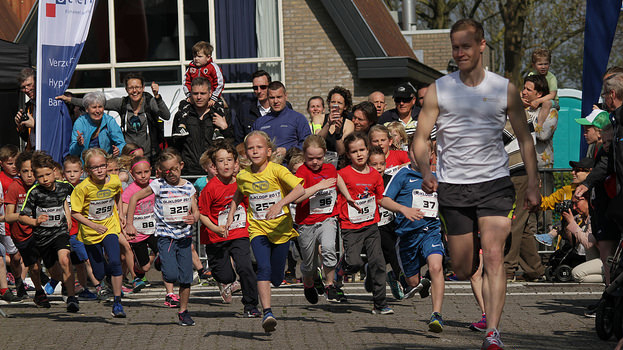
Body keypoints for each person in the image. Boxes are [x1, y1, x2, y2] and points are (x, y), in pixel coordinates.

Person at [412, 19, 540, 350]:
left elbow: (525, 139)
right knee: (464, 264)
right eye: (455, 47)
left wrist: (533, 184)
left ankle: (493, 332)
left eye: (466, 46)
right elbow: (420, 138)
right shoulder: (441, 89)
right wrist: (426, 170)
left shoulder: (503, 88)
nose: (460, 53)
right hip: (453, 187)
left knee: (495, 255)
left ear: (481, 45)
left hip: (495, 183)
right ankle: (469, 268)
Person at [225, 131, 304, 332]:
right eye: (250, 148)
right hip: (257, 228)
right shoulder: (243, 175)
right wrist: (231, 215)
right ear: (245, 153)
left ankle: (275, 281)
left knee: (276, 277)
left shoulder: (277, 170)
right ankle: (267, 312)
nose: (255, 151)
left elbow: (299, 190)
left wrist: (280, 205)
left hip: (281, 230)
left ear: (268, 151)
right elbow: (238, 193)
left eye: (259, 147)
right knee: (263, 268)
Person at [126, 148, 199, 326]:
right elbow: (134, 197)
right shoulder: (158, 184)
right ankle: (161, 262)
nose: (171, 173)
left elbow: (196, 211)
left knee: (186, 278)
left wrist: (194, 217)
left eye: (174, 169)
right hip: (165, 237)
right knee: (171, 275)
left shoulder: (189, 187)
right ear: (161, 171)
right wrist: (129, 223)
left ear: (181, 166)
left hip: (184, 238)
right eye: (166, 170)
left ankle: (183, 312)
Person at [380, 139, 445, 332]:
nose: (420, 157)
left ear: (432, 156)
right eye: (416, 153)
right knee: (413, 283)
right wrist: (403, 209)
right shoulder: (402, 174)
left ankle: (437, 314)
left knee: (436, 267)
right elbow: (383, 199)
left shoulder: (436, 177)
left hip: (431, 231)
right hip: (407, 235)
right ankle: (398, 276)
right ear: (409, 154)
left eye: (425, 153)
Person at [198, 140, 260, 316]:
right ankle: (226, 281)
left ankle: (251, 305)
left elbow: (249, 206)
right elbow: (202, 214)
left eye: (229, 160)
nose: (226, 164)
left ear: (236, 163)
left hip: (239, 232)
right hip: (216, 237)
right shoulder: (210, 188)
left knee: (245, 267)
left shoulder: (242, 182)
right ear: (214, 165)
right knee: (225, 276)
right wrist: (216, 228)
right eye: (221, 161)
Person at [336, 132, 391, 315]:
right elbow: (334, 179)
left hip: (371, 226)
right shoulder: (343, 174)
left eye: (362, 150)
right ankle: (341, 268)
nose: (359, 154)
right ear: (348, 155)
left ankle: (380, 303)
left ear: (368, 150)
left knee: (378, 263)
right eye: (354, 151)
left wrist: (400, 208)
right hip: (351, 227)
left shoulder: (375, 175)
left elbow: (381, 198)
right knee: (354, 263)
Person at [57, 74, 169, 163]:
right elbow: (92, 103)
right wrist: (69, 100)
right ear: (126, 89)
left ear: (143, 88)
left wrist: (157, 97)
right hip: (127, 157)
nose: (134, 91)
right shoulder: (122, 103)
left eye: (138, 87)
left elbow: (166, 116)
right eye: (131, 88)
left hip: (148, 155)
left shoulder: (151, 102)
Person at [18, 151, 79, 313]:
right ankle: (42, 291)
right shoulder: (35, 192)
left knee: (65, 260)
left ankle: (72, 298)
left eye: (47, 174)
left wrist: (71, 215)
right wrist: (35, 221)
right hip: (42, 237)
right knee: (49, 271)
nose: (45, 179)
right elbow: (22, 216)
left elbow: (79, 199)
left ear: (54, 171)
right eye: (40, 176)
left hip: (60, 232)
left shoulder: (64, 187)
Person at [71, 148, 126, 317]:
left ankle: (117, 303)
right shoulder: (83, 188)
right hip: (90, 233)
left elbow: (118, 195)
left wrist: (121, 213)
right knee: (99, 273)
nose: (100, 170)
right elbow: (75, 213)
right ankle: (108, 277)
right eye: (95, 168)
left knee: (116, 261)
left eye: (103, 166)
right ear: (88, 170)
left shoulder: (114, 181)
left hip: (110, 227)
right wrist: (93, 226)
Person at [120, 156, 179, 307]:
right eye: (139, 173)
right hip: (137, 234)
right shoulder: (130, 191)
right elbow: (124, 211)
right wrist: (127, 225)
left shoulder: (155, 185)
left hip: (154, 230)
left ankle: (170, 293)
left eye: (146, 172)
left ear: (151, 172)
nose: (143, 175)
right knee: (145, 267)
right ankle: (139, 272)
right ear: (133, 175)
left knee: (165, 253)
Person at [292, 135, 341, 303]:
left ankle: (329, 284)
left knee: (328, 248)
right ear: (304, 155)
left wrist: (348, 198)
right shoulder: (301, 172)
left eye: (319, 158)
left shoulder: (330, 169)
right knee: (309, 264)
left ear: (325, 154)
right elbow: (297, 198)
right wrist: (318, 187)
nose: (315, 162)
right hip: (306, 223)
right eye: (310, 158)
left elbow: (337, 181)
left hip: (327, 218)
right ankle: (308, 283)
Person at [4, 151, 54, 306]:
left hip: (40, 232)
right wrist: (24, 218)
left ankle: (45, 288)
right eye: (25, 171)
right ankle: (30, 286)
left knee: (44, 262)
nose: (30, 175)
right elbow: (8, 216)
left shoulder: (41, 186)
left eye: (33, 171)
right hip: (21, 234)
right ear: (19, 172)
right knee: (24, 262)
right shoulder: (14, 187)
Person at [368, 146, 411, 301]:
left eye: (382, 164)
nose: (379, 167)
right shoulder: (366, 180)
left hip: (392, 222)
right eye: (374, 164)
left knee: (395, 250)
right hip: (373, 225)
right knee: (390, 250)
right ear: (367, 165)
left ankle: (392, 276)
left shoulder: (391, 180)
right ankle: (402, 280)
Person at [172, 77, 234, 175]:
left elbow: (231, 144)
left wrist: (225, 128)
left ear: (210, 94)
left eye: (203, 93)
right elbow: (175, 145)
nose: (199, 97)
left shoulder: (222, 114)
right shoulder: (182, 115)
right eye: (195, 94)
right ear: (190, 94)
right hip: (189, 172)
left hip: (215, 171)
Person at [62, 156, 98, 299]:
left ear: (82, 172)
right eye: (68, 171)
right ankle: (97, 286)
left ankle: (84, 288)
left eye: (75, 171)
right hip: (65, 232)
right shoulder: (60, 187)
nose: (72, 174)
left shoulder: (84, 187)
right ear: (63, 172)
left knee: (82, 262)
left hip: (81, 231)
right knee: (67, 261)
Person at [534, 158, 592, 246]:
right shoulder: (567, 190)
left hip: (589, 240)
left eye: (577, 170)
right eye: (573, 170)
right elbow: (545, 203)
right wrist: (535, 189)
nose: (572, 173)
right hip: (568, 241)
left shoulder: (598, 191)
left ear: (590, 172)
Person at [252, 81, 311, 157]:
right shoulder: (259, 122)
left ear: (285, 96)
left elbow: (308, 144)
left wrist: (288, 151)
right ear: (267, 98)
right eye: (272, 98)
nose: (276, 101)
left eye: (279, 97)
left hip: (290, 166)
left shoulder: (298, 118)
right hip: (267, 166)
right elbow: (252, 146)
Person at [233, 70, 292, 145]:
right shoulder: (244, 110)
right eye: (255, 88)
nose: (259, 91)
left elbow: (292, 136)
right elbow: (238, 141)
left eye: (263, 87)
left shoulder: (285, 106)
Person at [0, 144, 27, 298]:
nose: (13, 167)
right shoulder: (1, 180)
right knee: (15, 255)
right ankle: (18, 282)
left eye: (15, 163)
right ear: (2, 164)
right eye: (9, 163)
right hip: (5, 223)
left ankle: (20, 283)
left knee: (22, 255)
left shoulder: (21, 178)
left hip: (21, 222)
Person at [69, 92, 126, 159]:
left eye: (100, 107)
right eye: (94, 107)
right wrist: (78, 144)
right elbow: (72, 152)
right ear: (87, 109)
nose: (97, 111)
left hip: (106, 163)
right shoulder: (80, 122)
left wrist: (118, 150)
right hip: (86, 165)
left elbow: (122, 143)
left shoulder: (110, 121)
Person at [521, 74, 558, 169]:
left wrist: (523, 115)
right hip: (521, 168)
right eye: (524, 88)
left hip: (542, 167)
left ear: (539, 94)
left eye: (529, 90)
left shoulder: (550, 111)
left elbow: (542, 135)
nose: (524, 92)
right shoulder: (520, 109)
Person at [317, 86, 355, 157]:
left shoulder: (349, 124)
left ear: (345, 107)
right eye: (333, 102)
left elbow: (341, 151)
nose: (335, 105)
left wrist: (338, 133)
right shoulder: (319, 118)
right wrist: (328, 124)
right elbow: (316, 142)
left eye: (339, 103)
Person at [527, 49, 558, 126]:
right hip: (536, 100)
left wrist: (538, 101)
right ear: (534, 65)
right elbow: (527, 89)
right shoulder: (531, 75)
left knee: (546, 103)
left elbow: (552, 95)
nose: (543, 67)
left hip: (551, 101)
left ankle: (539, 126)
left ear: (549, 64)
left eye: (546, 64)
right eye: (540, 64)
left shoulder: (551, 78)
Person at [14, 68, 37, 150]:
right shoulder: (29, 106)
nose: (27, 90)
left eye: (29, 85)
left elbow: (55, 129)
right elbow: (27, 138)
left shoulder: (48, 103)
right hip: (33, 152)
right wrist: (21, 127)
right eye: (23, 87)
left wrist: (35, 125)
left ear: (37, 82)